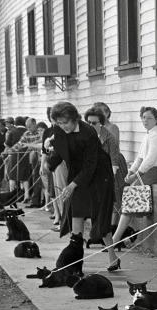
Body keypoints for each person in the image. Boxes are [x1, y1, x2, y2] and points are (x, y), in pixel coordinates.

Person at [45, 101, 118, 269]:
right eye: (59, 123)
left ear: (74, 118)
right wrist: (48, 165)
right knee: (76, 211)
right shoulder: (59, 129)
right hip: (77, 174)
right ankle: (75, 262)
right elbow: (60, 152)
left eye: (66, 122)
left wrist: (72, 185)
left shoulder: (88, 132)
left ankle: (113, 257)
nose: (63, 126)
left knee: (99, 218)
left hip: (99, 175)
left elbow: (90, 165)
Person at [111, 107, 157, 252]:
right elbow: (140, 157)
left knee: (131, 199)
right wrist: (131, 171)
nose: (145, 121)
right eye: (143, 117)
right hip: (143, 171)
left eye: (149, 118)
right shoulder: (148, 135)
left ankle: (116, 238)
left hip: (151, 172)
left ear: (156, 119)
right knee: (128, 200)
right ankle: (119, 237)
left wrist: (136, 175)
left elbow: (150, 159)